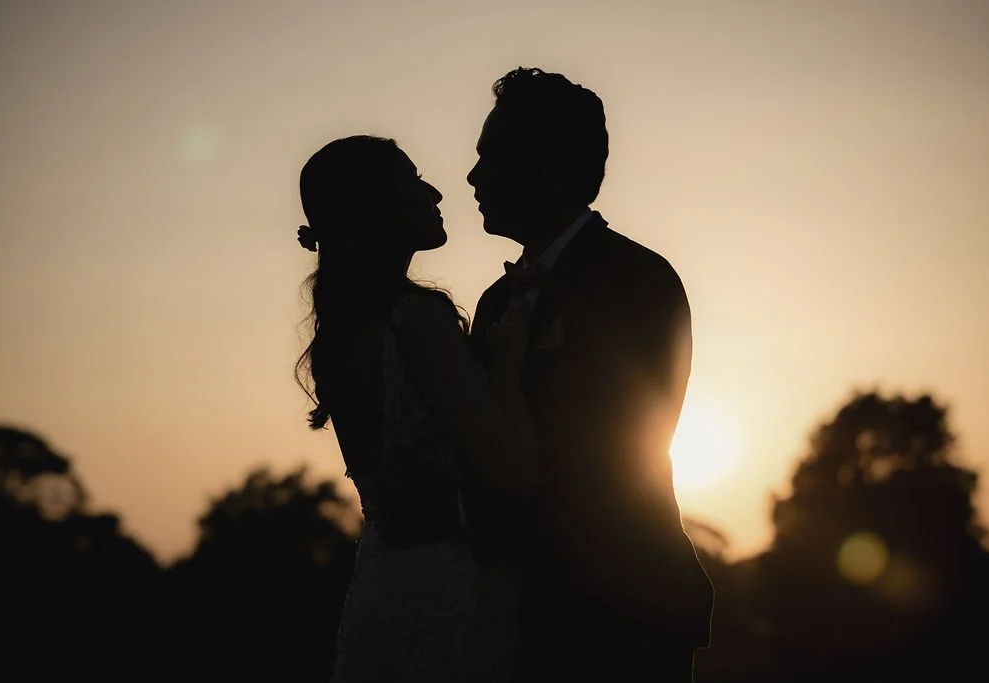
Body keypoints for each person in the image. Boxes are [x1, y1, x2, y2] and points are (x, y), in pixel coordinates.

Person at [465, 67, 715, 682]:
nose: (473, 176)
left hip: (620, 605)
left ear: (552, 163)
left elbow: (611, 449)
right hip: (519, 608)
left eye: (494, 155)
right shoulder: (496, 302)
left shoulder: (638, 280)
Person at [294, 135, 536, 682]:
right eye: (413, 179)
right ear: (376, 208)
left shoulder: (339, 334)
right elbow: (512, 474)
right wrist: (504, 363)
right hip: (454, 599)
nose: (434, 192)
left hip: (383, 591)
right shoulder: (415, 322)